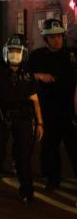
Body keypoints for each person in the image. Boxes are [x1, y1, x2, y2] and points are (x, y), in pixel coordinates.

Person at [0, 34, 44, 203]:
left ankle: (26, 192)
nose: (14, 55)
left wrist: (39, 123)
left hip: (23, 118)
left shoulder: (28, 74)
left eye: (18, 51)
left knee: (24, 156)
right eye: (11, 51)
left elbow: (35, 101)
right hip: (0, 116)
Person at [27, 17, 77, 190]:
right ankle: (51, 179)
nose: (57, 40)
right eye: (52, 37)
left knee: (73, 147)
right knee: (49, 147)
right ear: (46, 39)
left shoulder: (71, 55)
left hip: (70, 110)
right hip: (47, 110)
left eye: (59, 36)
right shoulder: (37, 57)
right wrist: (39, 76)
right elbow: (24, 75)